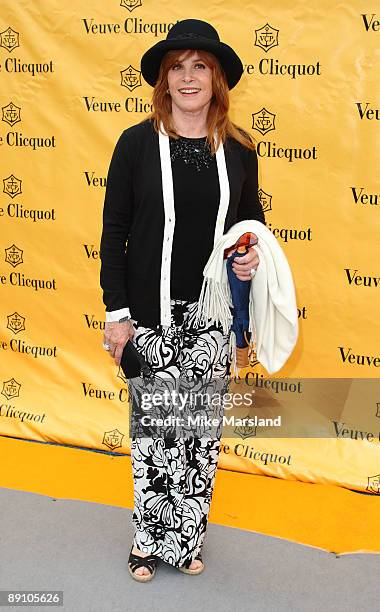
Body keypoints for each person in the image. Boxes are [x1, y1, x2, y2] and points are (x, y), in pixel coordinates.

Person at [99, 18, 266, 582]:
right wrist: (116, 317)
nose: (188, 77)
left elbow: (252, 229)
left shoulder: (241, 150)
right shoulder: (135, 144)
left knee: (197, 437)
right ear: (163, 80)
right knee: (154, 438)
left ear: (216, 80)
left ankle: (186, 541)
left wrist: (248, 258)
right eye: (178, 67)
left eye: (200, 67)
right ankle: (148, 542)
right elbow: (114, 231)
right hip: (149, 318)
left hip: (211, 322)